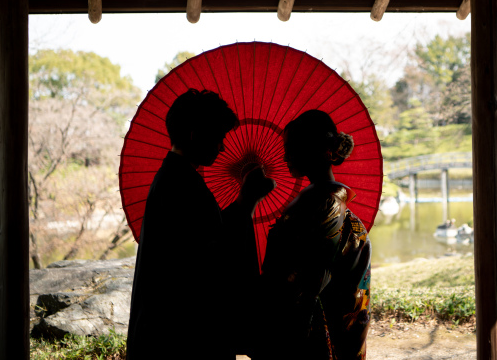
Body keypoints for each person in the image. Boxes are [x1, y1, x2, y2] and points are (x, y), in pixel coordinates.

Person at [127, 88, 273, 360]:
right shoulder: (181, 185)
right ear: (195, 134)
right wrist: (248, 200)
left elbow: (209, 236)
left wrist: (245, 199)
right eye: (218, 137)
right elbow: (211, 258)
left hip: (168, 330)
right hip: (181, 336)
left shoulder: (176, 178)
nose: (222, 147)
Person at [256, 109, 371, 360]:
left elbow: (303, 284)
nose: (285, 156)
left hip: (313, 337)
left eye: (291, 147)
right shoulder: (324, 205)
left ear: (314, 149)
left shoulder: (323, 207)